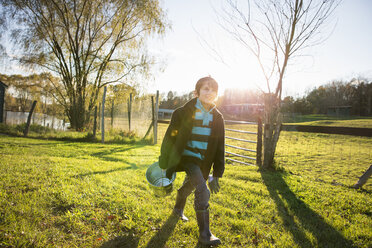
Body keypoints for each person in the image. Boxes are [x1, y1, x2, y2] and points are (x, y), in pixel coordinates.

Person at [159, 76, 225, 246]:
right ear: (196, 92)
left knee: (190, 186)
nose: (209, 93)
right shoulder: (182, 112)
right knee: (202, 190)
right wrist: (164, 162)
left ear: (217, 95)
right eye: (205, 89)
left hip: (203, 162)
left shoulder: (218, 118)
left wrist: (217, 173)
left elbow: (219, 147)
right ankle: (205, 234)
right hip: (186, 157)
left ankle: (178, 209)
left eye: (213, 90)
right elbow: (169, 139)